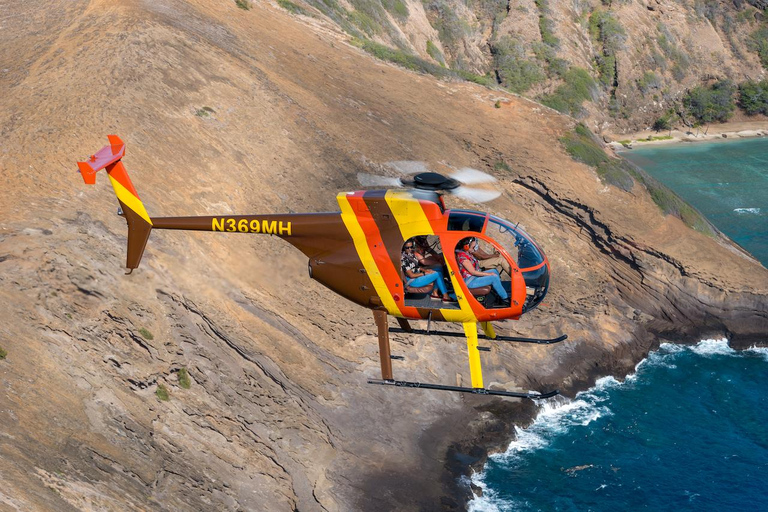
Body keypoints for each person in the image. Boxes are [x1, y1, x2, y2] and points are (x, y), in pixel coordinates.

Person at [455, 237, 509, 302]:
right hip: (470, 281)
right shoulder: (463, 257)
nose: (475, 249)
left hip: (473, 277)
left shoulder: (467, 253)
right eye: (473, 247)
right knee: (493, 277)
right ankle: (505, 299)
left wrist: (490, 273)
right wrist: (488, 274)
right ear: (466, 247)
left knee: (494, 271)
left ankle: (498, 291)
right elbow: (473, 272)